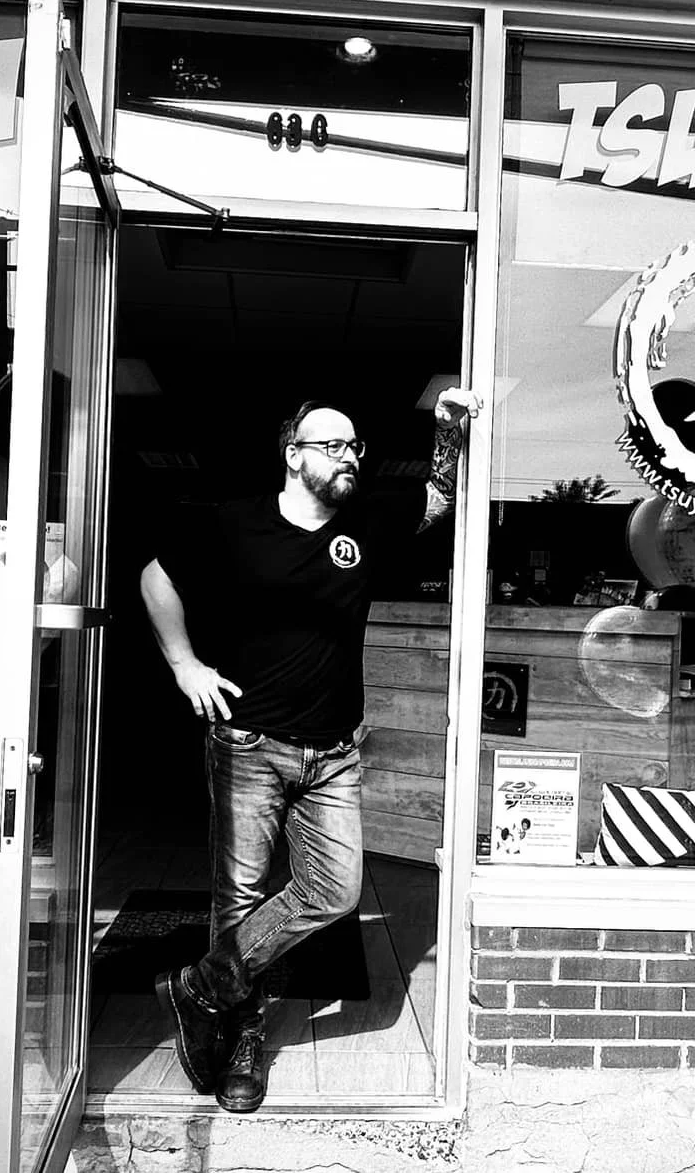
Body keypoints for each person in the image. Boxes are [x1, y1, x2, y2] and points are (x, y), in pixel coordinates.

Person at [140, 387, 481, 1112]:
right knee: (239, 902)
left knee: (333, 892)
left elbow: (439, 498)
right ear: (294, 456)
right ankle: (242, 1040)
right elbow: (156, 575)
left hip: (333, 755)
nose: (349, 456)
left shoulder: (368, 522)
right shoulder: (236, 523)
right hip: (249, 745)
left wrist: (446, 431)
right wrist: (184, 665)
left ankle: (199, 988)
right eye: (333, 444)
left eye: (354, 446)